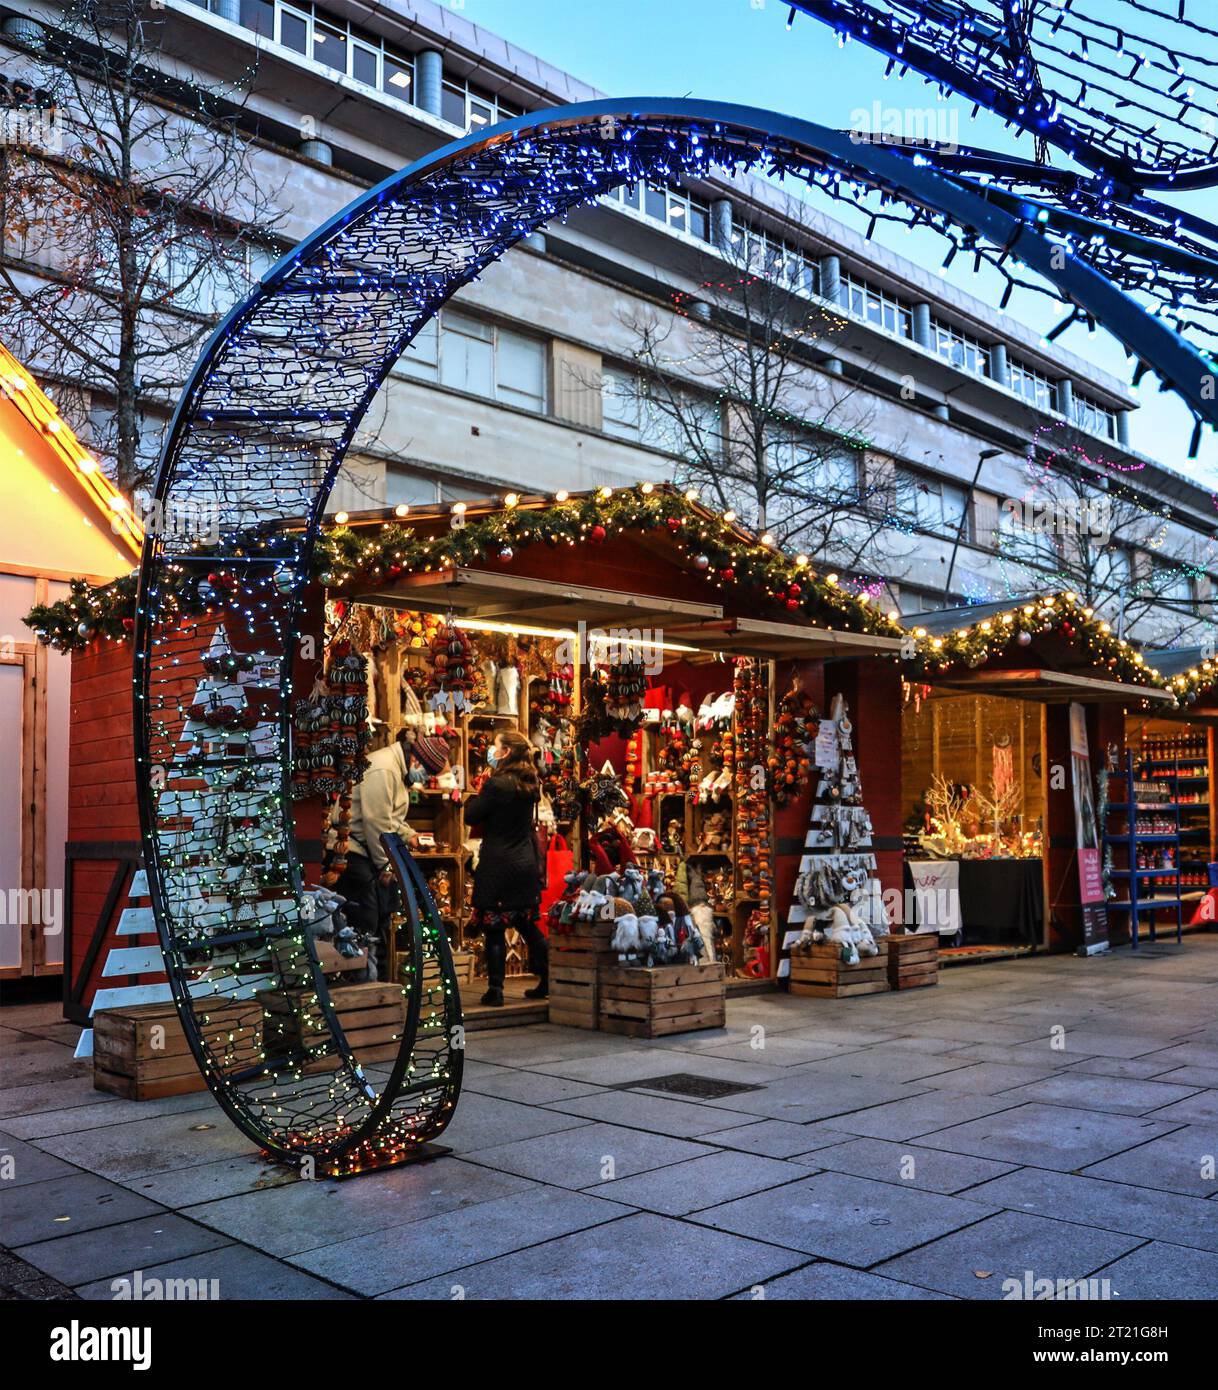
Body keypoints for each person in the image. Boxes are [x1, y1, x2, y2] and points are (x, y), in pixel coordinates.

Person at [464, 729, 547, 1006]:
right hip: (524, 861)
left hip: (498, 862)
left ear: (506, 752)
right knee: (527, 923)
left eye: (495, 746)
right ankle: (548, 979)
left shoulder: (496, 783)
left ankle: (496, 989)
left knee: (494, 927)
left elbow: (472, 815)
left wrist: (474, 795)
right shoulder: (530, 781)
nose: (492, 750)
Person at [333, 730, 421, 974]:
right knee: (366, 920)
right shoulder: (384, 770)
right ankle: (363, 979)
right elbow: (377, 822)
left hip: (367, 850)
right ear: (415, 760)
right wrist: (386, 864)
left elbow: (389, 817)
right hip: (354, 849)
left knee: (381, 916)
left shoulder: (396, 769)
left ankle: (377, 977)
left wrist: (406, 833)